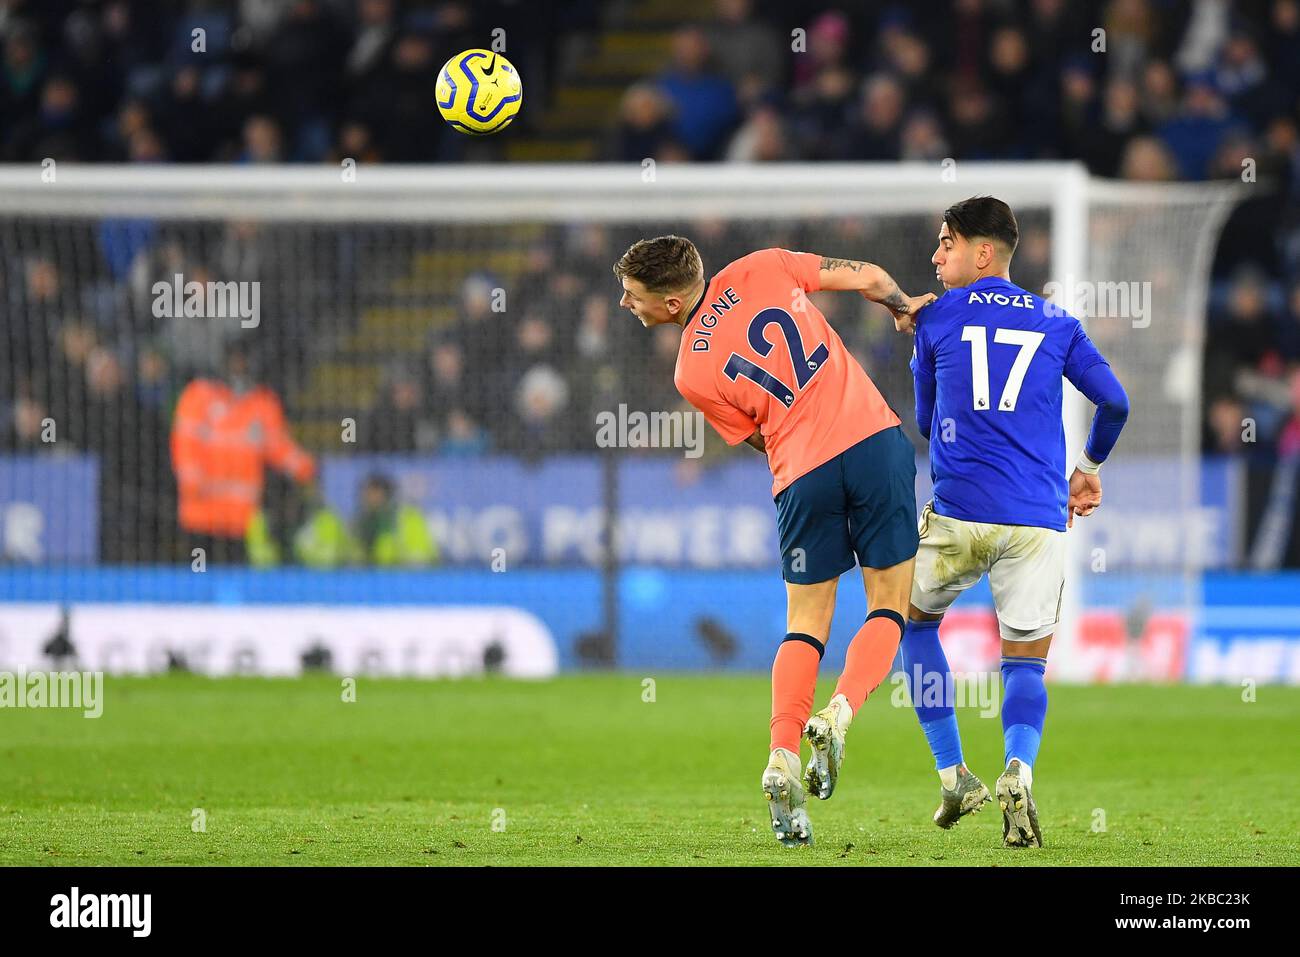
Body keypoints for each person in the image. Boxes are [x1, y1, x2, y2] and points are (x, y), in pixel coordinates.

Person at [612, 235, 933, 847]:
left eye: (634, 296)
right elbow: (866, 274)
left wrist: (800, 449)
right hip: (874, 445)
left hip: (801, 474)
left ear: (675, 302)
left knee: (806, 624)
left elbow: (759, 437)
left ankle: (782, 754)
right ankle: (839, 714)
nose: (627, 305)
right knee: (890, 606)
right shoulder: (761, 266)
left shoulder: (691, 372)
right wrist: (898, 305)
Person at [903, 196, 1130, 847]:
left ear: (982, 252)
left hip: (956, 516)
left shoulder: (935, 317)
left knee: (912, 627)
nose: (936, 254)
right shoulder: (1057, 322)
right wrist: (1086, 465)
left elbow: (926, 421)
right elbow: (1115, 400)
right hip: (1036, 519)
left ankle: (952, 772)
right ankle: (1018, 769)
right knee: (1026, 667)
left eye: (946, 242)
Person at [170, 341, 316, 564]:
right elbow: (185, 444)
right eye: (233, 360)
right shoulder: (198, 397)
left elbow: (278, 446)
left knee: (236, 585)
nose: (238, 366)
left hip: (241, 519)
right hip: (200, 515)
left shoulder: (263, 403)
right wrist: (192, 483)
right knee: (198, 583)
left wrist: (305, 467)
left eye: (243, 360)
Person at [355, 473, 437, 567]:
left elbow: (420, 558)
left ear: (386, 496)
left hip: (408, 577)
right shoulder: (362, 524)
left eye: (374, 495)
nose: (369, 501)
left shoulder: (408, 518)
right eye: (366, 496)